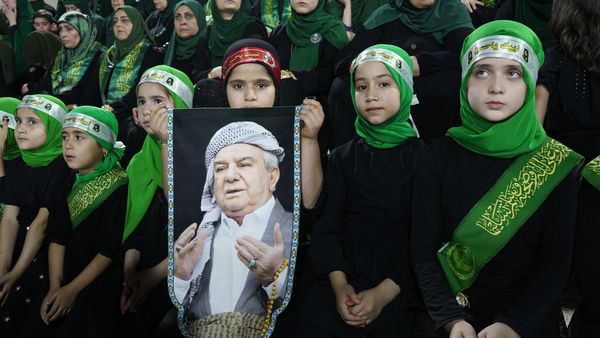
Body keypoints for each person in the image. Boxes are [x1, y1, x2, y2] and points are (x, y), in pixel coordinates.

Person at [411, 20, 582, 338]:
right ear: (465, 81)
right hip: (447, 318)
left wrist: (513, 324)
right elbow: (423, 251)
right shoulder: (435, 156)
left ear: (529, 83)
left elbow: (555, 263)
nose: (496, 87)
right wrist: (451, 317)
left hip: (526, 320)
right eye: (482, 71)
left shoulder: (557, 164)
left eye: (512, 73)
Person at [295, 44, 428, 337]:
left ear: (405, 88)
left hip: (400, 285)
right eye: (361, 86)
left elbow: (426, 239)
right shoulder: (343, 157)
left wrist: (382, 294)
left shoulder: (426, 159)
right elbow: (328, 226)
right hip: (341, 277)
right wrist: (340, 284)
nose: (371, 95)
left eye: (384, 83)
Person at [173, 121, 292, 337]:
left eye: (244, 164)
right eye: (220, 168)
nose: (230, 176)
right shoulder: (196, 241)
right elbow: (177, 316)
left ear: (272, 177)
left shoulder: (296, 231)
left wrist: (277, 277)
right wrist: (181, 276)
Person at [19, 106, 127, 338]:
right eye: (65, 136)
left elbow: (107, 250)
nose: (68, 145)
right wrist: (56, 286)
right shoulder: (65, 177)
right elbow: (57, 236)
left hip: (93, 277)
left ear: (104, 148)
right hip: (60, 270)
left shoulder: (119, 186)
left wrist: (71, 290)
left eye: (79, 138)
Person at [328, 0, 473, 147]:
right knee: (341, 86)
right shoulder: (385, 15)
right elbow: (344, 59)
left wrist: (419, 63)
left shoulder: (452, 11)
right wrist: (384, 67)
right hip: (385, 86)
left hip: (431, 87)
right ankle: (354, 157)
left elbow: (465, 55)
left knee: (448, 83)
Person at [119, 65, 193, 338]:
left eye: (158, 101)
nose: (147, 110)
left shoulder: (203, 156)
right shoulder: (139, 161)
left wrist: (151, 277)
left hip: (183, 272)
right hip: (146, 262)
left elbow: (180, 207)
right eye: (141, 102)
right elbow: (137, 227)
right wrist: (130, 272)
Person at [0, 94, 72, 337]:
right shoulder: (20, 163)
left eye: (32, 122)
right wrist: (3, 266)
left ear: (53, 128)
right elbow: (9, 218)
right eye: (19, 121)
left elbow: (41, 224)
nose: (21, 129)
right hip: (18, 242)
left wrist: (15, 273)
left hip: (44, 249)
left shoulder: (61, 165)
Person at [99, 5, 163, 162]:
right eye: (115, 21)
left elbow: (141, 87)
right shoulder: (109, 55)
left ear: (137, 24)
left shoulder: (150, 52)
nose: (118, 25)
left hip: (131, 110)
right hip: (107, 110)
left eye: (125, 20)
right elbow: (97, 89)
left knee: (130, 131)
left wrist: (116, 106)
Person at [269, 0, 350, 101]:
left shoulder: (333, 32)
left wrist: (292, 76)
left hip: (322, 109)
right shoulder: (279, 34)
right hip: (281, 111)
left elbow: (331, 75)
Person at [25, 12, 105, 108]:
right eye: (60, 29)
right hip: (54, 106)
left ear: (83, 29)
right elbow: (46, 85)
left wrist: (76, 106)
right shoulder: (63, 55)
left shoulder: (99, 55)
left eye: (69, 29)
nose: (63, 35)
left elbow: (92, 94)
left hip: (80, 113)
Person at [205, 0, 267, 71]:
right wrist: (210, 74)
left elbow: (260, 67)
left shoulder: (253, 27)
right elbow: (198, 73)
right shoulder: (208, 32)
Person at [164, 0, 209, 84]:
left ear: (200, 19)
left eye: (188, 16)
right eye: (178, 17)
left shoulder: (209, 49)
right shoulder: (166, 52)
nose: (182, 22)